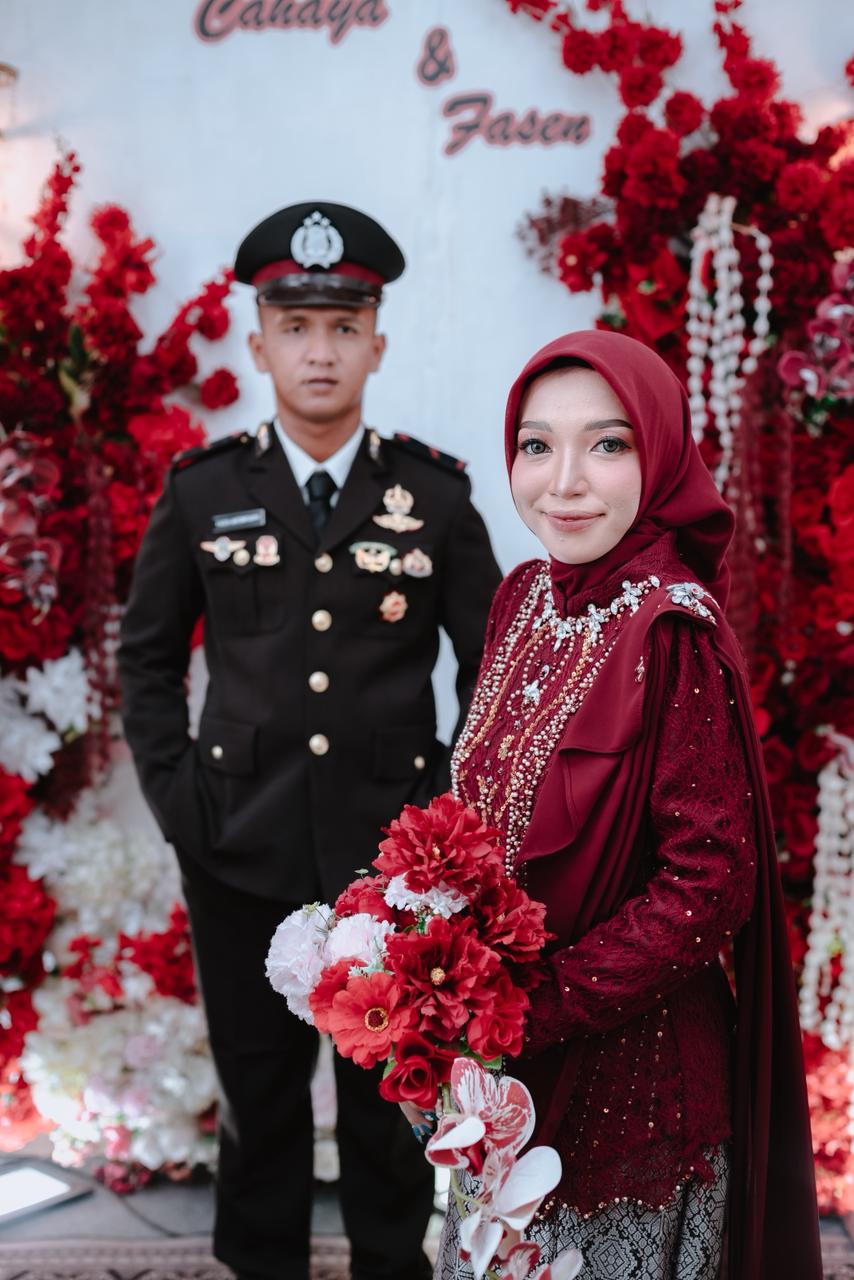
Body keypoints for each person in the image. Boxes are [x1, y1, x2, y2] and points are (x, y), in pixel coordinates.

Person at [118, 200, 502, 1280]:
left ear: (377, 342)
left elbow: (490, 667)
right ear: (260, 345)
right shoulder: (203, 491)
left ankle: (392, 1265)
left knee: (391, 1096)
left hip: (390, 865)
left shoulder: (431, 496)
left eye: (343, 326)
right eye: (296, 327)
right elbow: (146, 660)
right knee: (258, 1090)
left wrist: (443, 823)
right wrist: (181, 804)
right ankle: (261, 1264)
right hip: (237, 843)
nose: (319, 350)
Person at [433, 330, 821, 1279]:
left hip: (631, 1091)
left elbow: (710, 884)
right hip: (507, 1069)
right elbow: (479, 810)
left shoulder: (670, 629)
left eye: (607, 444)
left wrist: (535, 1006)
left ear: (661, 457)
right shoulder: (522, 596)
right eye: (536, 445)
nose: (563, 482)